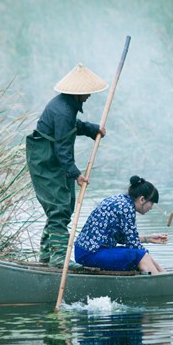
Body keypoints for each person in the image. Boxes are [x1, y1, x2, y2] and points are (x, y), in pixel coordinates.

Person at [27, 63, 108, 269]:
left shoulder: (66, 106)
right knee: (59, 208)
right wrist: (76, 174)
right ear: (77, 92)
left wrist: (92, 129)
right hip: (46, 161)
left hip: (52, 159)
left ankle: (46, 257)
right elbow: (62, 148)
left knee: (63, 206)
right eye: (87, 92)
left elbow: (73, 127)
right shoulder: (62, 110)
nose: (89, 95)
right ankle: (59, 259)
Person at [74, 176, 168, 274]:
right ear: (142, 199)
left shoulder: (121, 201)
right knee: (141, 256)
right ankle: (161, 280)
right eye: (151, 203)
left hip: (85, 252)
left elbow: (123, 239)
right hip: (91, 254)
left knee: (141, 255)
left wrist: (147, 239)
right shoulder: (127, 209)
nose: (151, 208)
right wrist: (146, 256)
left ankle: (162, 274)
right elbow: (134, 245)